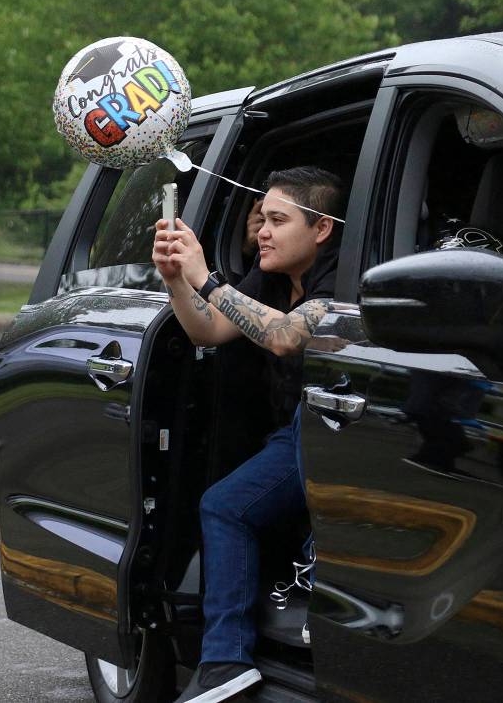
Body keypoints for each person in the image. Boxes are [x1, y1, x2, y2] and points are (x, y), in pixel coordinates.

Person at [151, 166, 343, 703]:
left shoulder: (343, 274)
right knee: (224, 504)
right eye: (261, 219)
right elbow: (209, 329)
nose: (262, 231)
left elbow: (286, 336)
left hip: (341, 433)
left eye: (278, 221)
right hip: (298, 435)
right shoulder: (272, 275)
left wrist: (208, 278)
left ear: (322, 228)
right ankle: (225, 662)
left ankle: (314, 588)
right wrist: (176, 278)